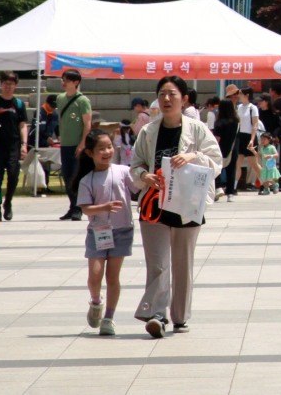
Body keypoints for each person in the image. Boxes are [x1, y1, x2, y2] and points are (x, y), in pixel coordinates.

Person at [130, 75, 223, 338]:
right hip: (154, 204)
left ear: (184, 99)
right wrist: (144, 176)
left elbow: (217, 163)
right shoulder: (148, 131)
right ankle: (157, 314)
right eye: (162, 94)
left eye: (172, 94)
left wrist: (194, 155)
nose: (167, 99)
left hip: (187, 204)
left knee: (183, 263)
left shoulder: (197, 129)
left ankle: (180, 316)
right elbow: (135, 166)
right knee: (157, 264)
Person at [77, 129, 137, 336]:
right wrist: (103, 208)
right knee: (94, 276)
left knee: (113, 277)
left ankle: (109, 318)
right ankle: (96, 302)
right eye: (101, 148)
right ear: (90, 153)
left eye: (109, 147)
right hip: (98, 232)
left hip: (122, 230)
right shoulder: (87, 180)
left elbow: (138, 187)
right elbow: (85, 209)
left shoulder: (123, 171)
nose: (106, 151)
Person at [0, 72, 28, 221]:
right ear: (1, 84)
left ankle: (8, 202)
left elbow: (23, 125)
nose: (8, 87)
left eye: (11, 84)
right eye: (5, 84)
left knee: (14, 174)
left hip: (13, 145)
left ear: (15, 85)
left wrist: (24, 144)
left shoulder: (19, 104)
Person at [56, 69, 93, 221]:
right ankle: (72, 205)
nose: (63, 83)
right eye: (63, 80)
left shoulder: (82, 101)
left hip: (77, 144)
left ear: (76, 82)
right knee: (66, 175)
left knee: (76, 175)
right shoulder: (60, 98)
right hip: (65, 143)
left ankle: (78, 207)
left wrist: (82, 143)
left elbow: (87, 123)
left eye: (66, 80)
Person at [224, 84, 260, 196]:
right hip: (240, 136)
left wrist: (252, 139)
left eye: (240, 93)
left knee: (254, 163)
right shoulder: (239, 107)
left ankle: (267, 183)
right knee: (237, 163)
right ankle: (233, 187)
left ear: (247, 95)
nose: (238, 96)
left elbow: (255, 125)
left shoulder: (253, 108)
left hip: (249, 137)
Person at [211, 99, 240, 201]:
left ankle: (218, 188)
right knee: (231, 170)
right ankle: (230, 193)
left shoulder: (219, 122)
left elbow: (217, 138)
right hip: (233, 148)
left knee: (217, 168)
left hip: (220, 148)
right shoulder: (236, 122)